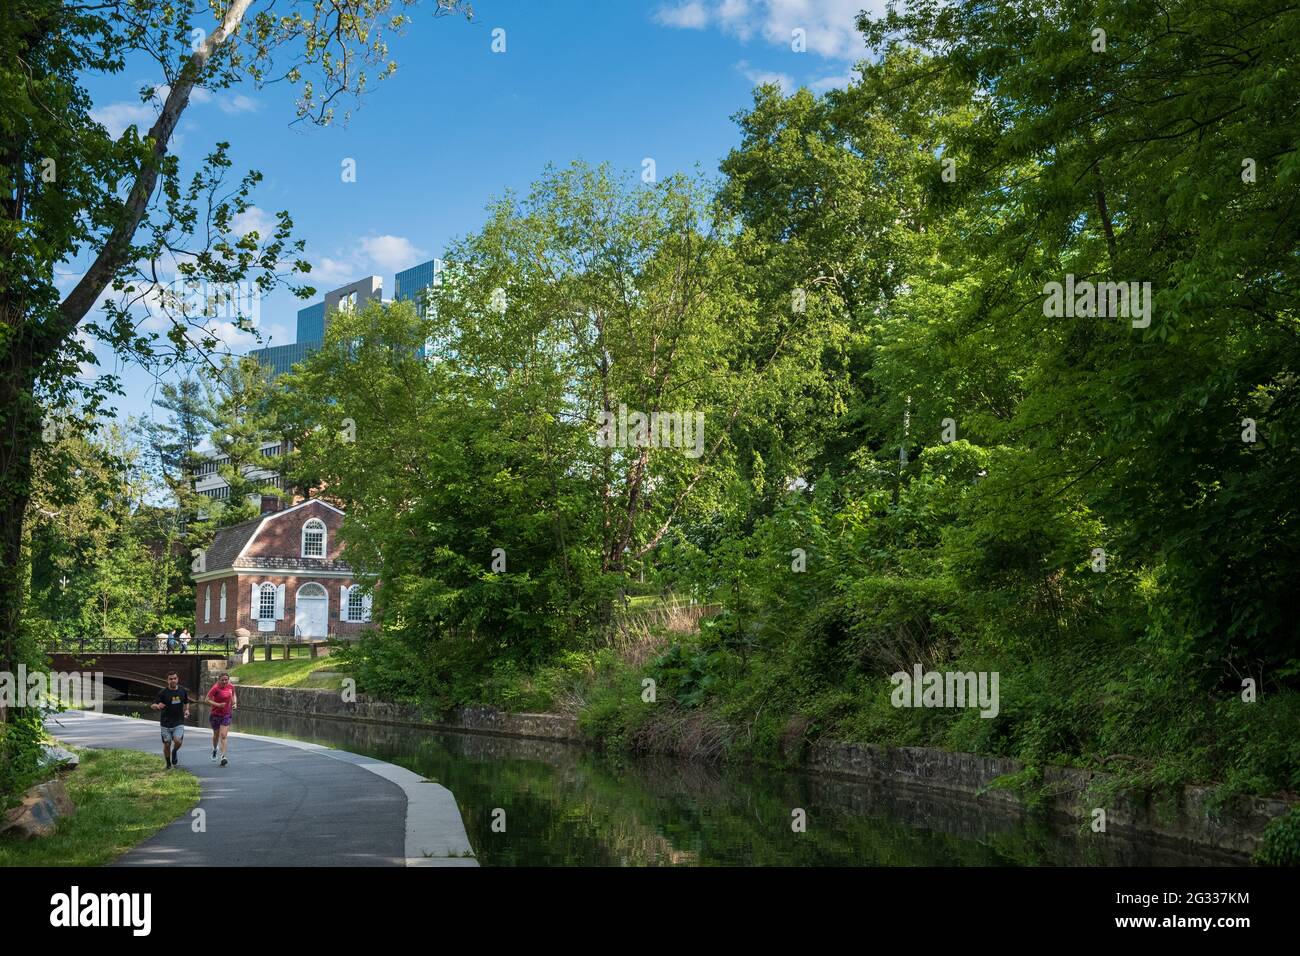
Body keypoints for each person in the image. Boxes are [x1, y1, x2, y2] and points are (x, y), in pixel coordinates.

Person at [149, 671, 191, 769]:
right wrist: (157, 706)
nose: (173, 680)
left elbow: (186, 701)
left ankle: (175, 751)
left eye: (174, 678)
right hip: (165, 723)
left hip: (178, 722)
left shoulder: (182, 691)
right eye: (170, 679)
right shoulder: (163, 693)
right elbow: (152, 705)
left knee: (178, 741)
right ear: (167, 680)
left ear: (177, 679)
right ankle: (168, 764)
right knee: (167, 744)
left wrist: (187, 710)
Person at [205, 672, 238, 767]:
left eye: (226, 680)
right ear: (219, 680)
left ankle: (223, 756)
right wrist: (218, 705)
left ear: (228, 680)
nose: (224, 682)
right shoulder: (215, 688)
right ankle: (215, 750)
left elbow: (233, 695)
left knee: (223, 735)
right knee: (216, 735)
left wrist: (234, 703)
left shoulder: (231, 686)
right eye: (222, 680)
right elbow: (207, 699)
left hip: (226, 714)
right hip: (215, 714)